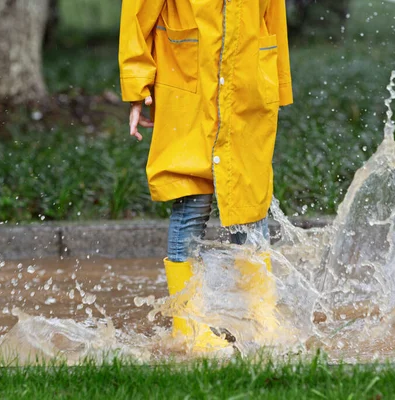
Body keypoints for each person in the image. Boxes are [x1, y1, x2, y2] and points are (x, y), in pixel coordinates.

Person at [119, 0, 293, 353]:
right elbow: (137, 14)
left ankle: (262, 317)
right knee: (191, 197)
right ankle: (188, 327)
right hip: (188, 84)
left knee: (250, 201)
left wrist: (276, 85)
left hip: (245, 91)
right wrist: (138, 84)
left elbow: (273, 15)